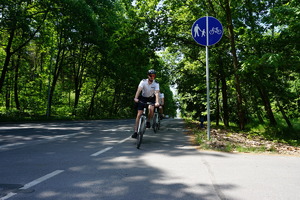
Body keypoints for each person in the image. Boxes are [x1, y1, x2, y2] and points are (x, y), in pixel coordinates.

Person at [132, 69, 160, 138]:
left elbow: (156, 93)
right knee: (139, 114)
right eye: (151, 75)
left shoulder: (156, 83)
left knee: (151, 109)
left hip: (151, 98)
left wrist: (157, 102)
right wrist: (136, 98)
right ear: (148, 76)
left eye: (154, 76)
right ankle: (135, 131)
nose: (152, 77)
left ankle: (148, 121)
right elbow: (139, 90)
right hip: (143, 98)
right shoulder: (143, 82)